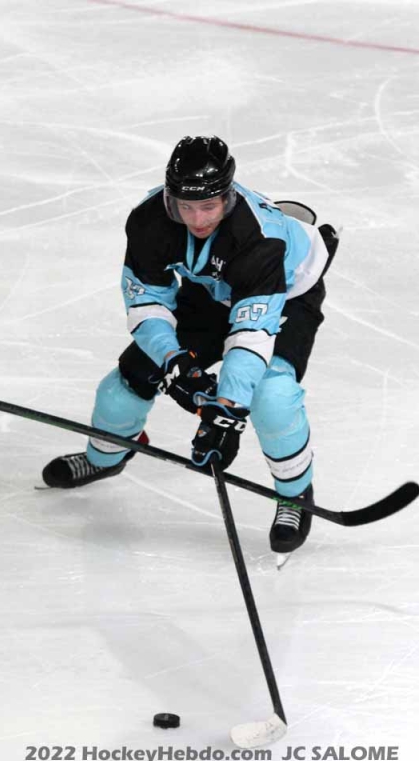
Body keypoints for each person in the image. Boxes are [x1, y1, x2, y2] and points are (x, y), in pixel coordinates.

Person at [42, 136, 339, 555]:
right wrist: (175, 362)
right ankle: (105, 456)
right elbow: (146, 300)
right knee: (126, 383)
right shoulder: (149, 221)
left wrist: (227, 413)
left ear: (228, 197)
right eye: (185, 206)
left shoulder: (261, 240)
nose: (197, 219)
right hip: (211, 290)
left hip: (287, 292)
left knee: (272, 394)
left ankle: (294, 493)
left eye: (208, 207)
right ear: (170, 196)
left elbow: (250, 334)